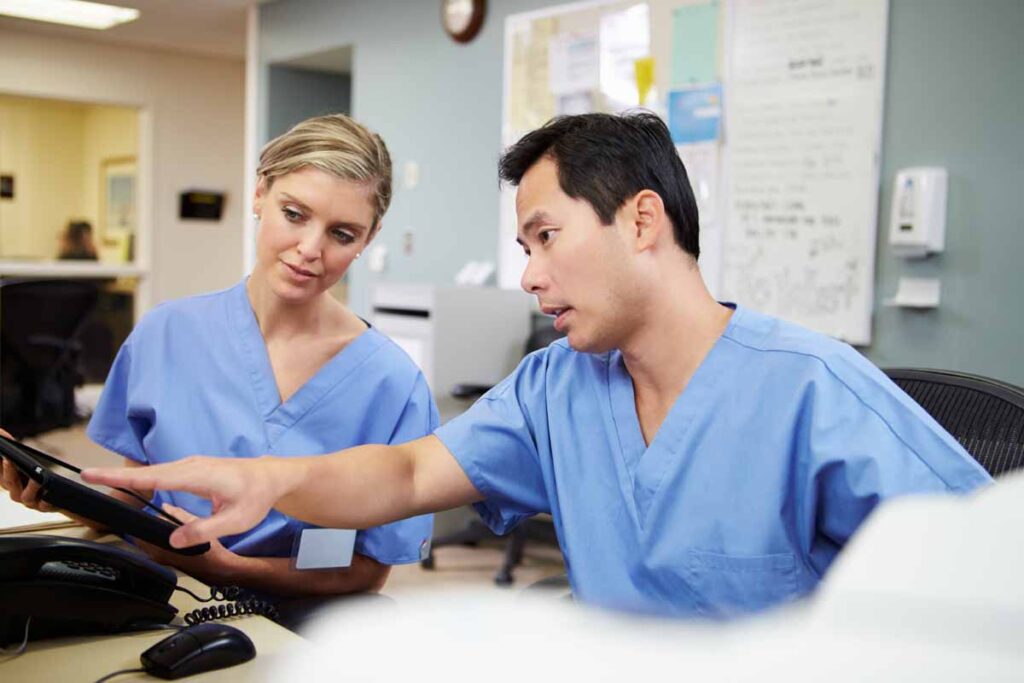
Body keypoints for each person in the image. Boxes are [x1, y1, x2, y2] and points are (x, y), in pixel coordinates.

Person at [82, 112, 991, 618]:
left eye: (545, 237)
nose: (528, 275)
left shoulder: (811, 390)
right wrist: (269, 479)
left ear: (641, 221)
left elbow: (991, 578)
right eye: (524, 246)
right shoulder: (557, 386)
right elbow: (407, 473)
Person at [2, 114, 434, 606]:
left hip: (300, 618)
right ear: (259, 193)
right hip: (159, 597)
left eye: (342, 234)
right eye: (294, 214)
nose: (310, 249)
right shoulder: (166, 333)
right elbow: (133, 502)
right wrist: (57, 494)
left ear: (369, 237)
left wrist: (228, 569)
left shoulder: (392, 384)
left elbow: (367, 570)